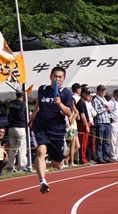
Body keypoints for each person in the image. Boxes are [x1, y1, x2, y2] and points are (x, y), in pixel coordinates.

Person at [29, 66, 74, 194]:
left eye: (60, 77)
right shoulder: (43, 89)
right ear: (50, 77)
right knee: (41, 151)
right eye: (55, 76)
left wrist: (59, 104)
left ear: (64, 79)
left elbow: (69, 113)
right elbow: (38, 104)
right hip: (41, 127)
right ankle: (42, 181)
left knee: (58, 164)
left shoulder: (66, 93)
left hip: (57, 131)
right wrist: (32, 118)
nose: (57, 79)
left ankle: (56, 161)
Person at [6, 91, 28, 173]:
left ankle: (10, 167)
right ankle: (22, 166)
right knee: (22, 148)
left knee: (12, 148)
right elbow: (28, 114)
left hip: (11, 127)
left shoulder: (11, 103)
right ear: (23, 96)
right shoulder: (23, 105)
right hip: (20, 127)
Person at [92, 85, 113, 164]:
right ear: (98, 91)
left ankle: (106, 156)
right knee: (100, 141)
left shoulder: (104, 99)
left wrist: (109, 110)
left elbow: (107, 109)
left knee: (107, 141)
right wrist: (105, 108)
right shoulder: (96, 100)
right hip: (100, 122)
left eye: (104, 90)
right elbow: (96, 111)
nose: (103, 92)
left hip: (107, 121)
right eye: (101, 90)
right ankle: (100, 157)